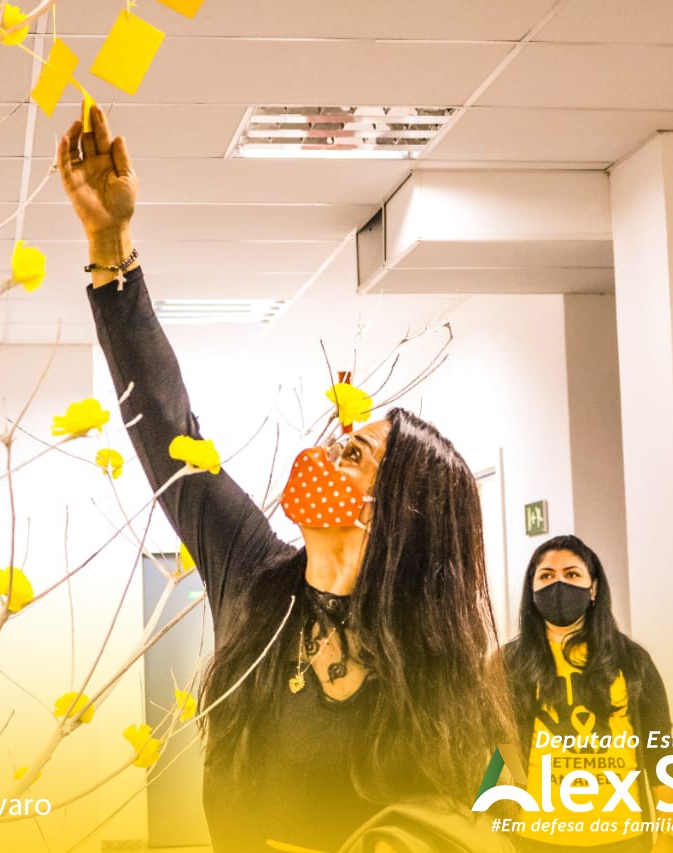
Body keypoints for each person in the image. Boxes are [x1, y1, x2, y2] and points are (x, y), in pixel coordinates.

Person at [58, 105, 517, 853]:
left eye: (353, 456)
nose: (323, 455)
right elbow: (170, 434)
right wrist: (110, 250)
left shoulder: (445, 686)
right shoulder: (255, 581)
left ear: (395, 514)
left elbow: (486, 826)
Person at [502, 535, 673, 853]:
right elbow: (500, 749)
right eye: (546, 576)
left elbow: (660, 752)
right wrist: (496, 825)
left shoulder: (632, 660)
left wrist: (670, 836)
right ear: (532, 589)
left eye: (572, 574)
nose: (558, 584)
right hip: (535, 839)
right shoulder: (510, 663)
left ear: (594, 587)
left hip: (622, 838)